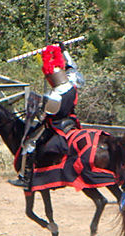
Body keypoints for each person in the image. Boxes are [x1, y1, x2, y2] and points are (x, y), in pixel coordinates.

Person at [9, 44, 83, 188]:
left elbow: (45, 116)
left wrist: (36, 112)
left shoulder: (54, 95)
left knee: (29, 143)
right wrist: (64, 51)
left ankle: (26, 177)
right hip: (71, 120)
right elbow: (73, 67)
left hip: (56, 125)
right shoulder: (72, 83)